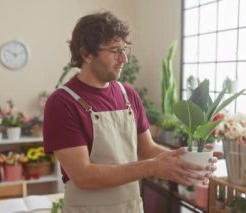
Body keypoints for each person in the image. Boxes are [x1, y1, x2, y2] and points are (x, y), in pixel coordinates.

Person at [43, 11, 216, 213]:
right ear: (86, 54)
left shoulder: (127, 94)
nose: (124, 58)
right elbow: (83, 175)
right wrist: (151, 167)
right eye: (115, 50)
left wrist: (189, 162)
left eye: (125, 49)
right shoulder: (62, 103)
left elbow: (147, 149)